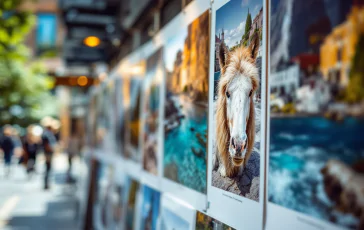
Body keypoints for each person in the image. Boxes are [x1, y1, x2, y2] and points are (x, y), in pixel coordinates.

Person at [40, 117, 57, 190]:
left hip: (49, 152)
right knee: (48, 168)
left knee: (49, 168)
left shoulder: (49, 133)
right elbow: (46, 145)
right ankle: (46, 184)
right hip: (48, 153)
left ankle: (47, 183)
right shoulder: (46, 134)